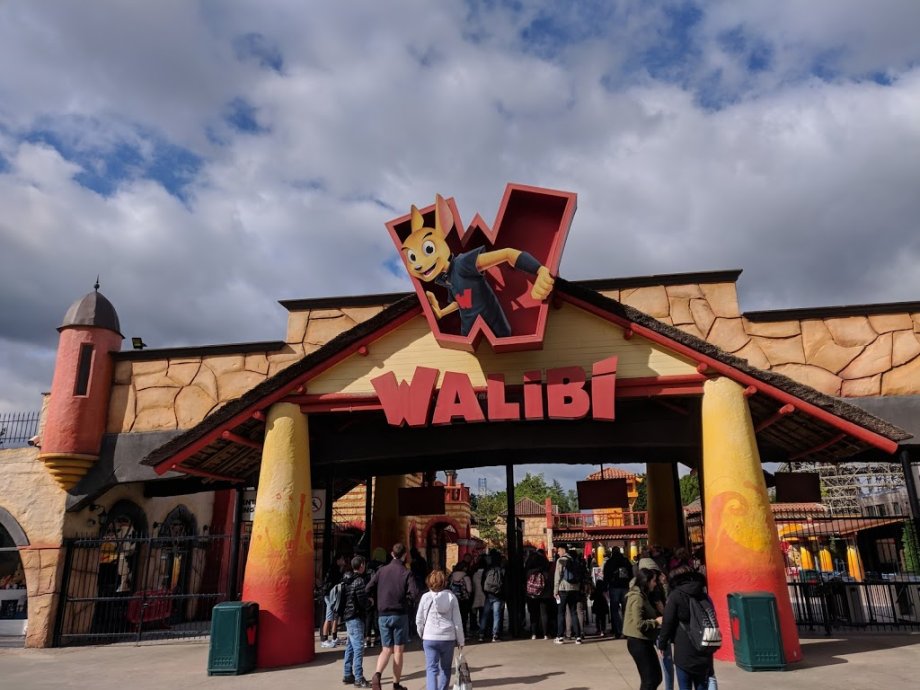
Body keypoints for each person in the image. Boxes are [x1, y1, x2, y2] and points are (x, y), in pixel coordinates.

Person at [365, 543, 419, 690]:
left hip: (383, 614)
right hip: (399, 614)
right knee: (398, 650)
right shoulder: (406, 572)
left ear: (392, 554)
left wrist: (373, 599)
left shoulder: (381, 571)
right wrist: (406, 601)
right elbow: (414, 594)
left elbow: (368, 588)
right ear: (404, 555)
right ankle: (396, 684)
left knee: (386, 649)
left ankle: (377, 674)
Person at [657, 565, 715, 690]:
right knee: (702, 684)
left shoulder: (675, 595)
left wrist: (662, 643)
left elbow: (668, 621)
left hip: (684, 646)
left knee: (685, 685)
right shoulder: (703, 594)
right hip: (703, 644)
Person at [416, 568, 465, 690]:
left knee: (431, 669)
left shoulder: (425, 597)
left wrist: (422, 633)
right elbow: (457, 621)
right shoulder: (451, 597)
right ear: (444, 582)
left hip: (430, 637)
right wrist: (461, 640)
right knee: (445, 668)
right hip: (448, 638)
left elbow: (419, 619)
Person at [624, 568, 663, 690]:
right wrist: (656, 622)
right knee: (649, 680)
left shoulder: (643, 596)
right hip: (638, 642)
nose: (655, 584)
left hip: (645, 641)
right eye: (653, 581)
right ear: (646, 581)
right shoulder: (637, 598)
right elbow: (639, 623)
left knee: (656, 677)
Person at [341, 555, 371, 688]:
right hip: (356, 616)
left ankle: (348, 674)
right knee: (358, 647)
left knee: (350, 646)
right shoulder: (359, 581)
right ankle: (359, 678)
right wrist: (370, 602)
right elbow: (362, 601)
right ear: (362, 565)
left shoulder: (346, 579)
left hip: (348, 616)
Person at [552, 545, 583, 644]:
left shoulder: (560, 560)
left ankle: (560, 636)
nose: (558, 553)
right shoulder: (574, 560)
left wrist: (555, 590)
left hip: (563, 589)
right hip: (574, 589)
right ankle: (578, 637)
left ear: (563, 550)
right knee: (574, 612)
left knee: (561, 613)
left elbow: (557, 576)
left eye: (559, 551)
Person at [603, 545, 633, 639]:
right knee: (626, 610)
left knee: (614, 610)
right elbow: (631, 573)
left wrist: (605, 586)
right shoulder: (625, 561)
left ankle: (617, 630)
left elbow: (606, 575)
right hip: (625, 587)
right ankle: (627, 630)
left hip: (614, 587)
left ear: (612, 552)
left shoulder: (609, 562)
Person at [321, 554, 348, 648]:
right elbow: (337, 581)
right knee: (329, 617)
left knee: (334, 616)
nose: (343, 560)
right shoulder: (333, 570)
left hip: (333, 595)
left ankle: (334, 637)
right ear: (337, 560)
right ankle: (324, 640)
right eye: (342, 559)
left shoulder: (336, 569)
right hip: (330, 595)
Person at [524, 549, 551, 640]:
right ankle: (545, 634)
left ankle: (534, 634)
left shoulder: (529, 572)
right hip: (544, 595)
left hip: (531, 594)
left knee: (533, 614)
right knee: (544, 614)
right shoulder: (545, 571)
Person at [478, 550, 504, 642]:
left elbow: (482, 582)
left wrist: (485, 592)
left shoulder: (487, 569)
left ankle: (481, 634)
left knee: (485, 615)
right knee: (496, 615)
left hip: (488, 595)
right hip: (497, 595)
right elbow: (504, 584)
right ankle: (495, 635)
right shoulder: (501, 569)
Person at [448, 562, 473, 633]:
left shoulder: (451, 576)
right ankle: (463, 631)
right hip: (463, 599)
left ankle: (454, 631)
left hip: (453, 598)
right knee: (463, 616)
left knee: (454, 615)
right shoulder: (465, 576)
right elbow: (469, 589)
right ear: (464, 568)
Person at [470, 554, 486, 636]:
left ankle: (473, 627)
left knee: (474, 614)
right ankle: (482, 629)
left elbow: (472, 586)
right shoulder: (486, 574)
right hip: (484, 596)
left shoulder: (475, 574)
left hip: (475, 596)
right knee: (483, 614)